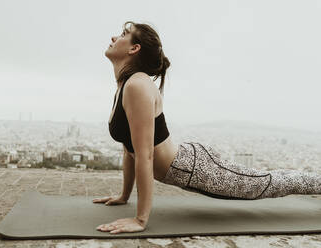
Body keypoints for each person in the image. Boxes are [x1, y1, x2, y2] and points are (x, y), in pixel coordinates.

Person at [92, 21, 321, 235]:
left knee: (267, 183)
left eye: (123, 35)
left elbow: (146, 154)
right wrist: (124, 195)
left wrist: (140, 220)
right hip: (187, 164)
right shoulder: (125, 85)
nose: (114, 37)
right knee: (268, 180)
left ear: (134, 48)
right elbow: (129, 149)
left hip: (196, 167)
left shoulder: (137, 85)